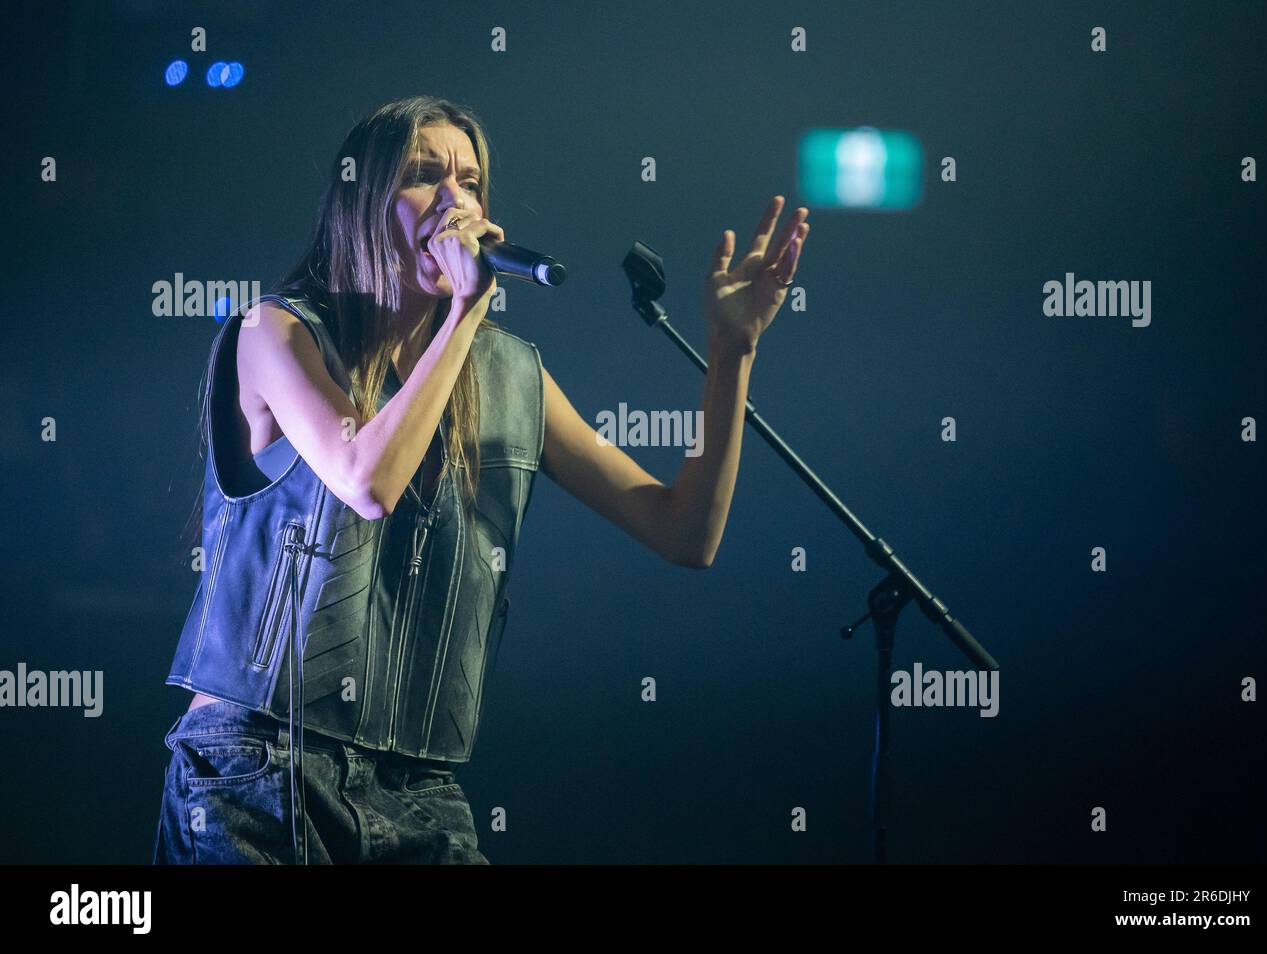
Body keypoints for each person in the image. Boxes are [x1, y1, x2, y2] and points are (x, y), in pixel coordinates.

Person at [152, 94, 810, 864]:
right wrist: (466, 310)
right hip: (259, 767)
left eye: (470, 181)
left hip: (420, 790)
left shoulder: (509, 375)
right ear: (361, 202)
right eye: (425, 176)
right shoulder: (279, 332)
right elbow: (365, 479)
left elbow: (685, 531)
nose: (455, 199)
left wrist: (732, 353)